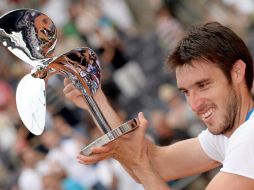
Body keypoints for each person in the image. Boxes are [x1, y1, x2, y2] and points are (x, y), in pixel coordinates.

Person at [63, 22, 254, 189]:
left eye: (203, 85)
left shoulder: (249, 137)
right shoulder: (231, 134)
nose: (194, 105)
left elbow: (144, 167)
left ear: (237, 72)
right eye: (186, 92)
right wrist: (96, 99)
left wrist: (138, 164)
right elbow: (155, 164)